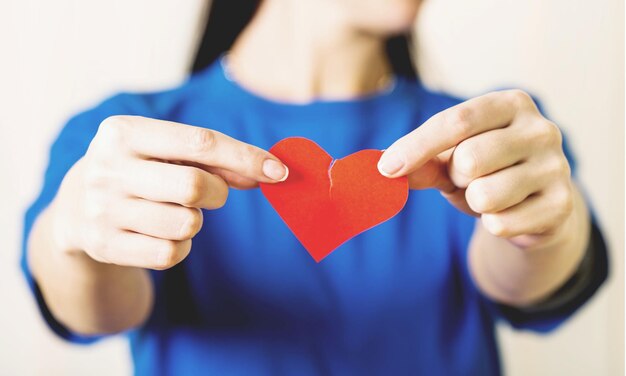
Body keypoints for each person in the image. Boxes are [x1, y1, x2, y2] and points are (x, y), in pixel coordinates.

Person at [22, 0, 608, 375]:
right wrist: (73, 241)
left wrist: (545, 224)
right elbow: (93, 306)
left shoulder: (486, 134)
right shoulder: (130, 135)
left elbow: (528, 278)